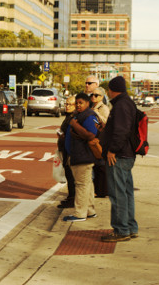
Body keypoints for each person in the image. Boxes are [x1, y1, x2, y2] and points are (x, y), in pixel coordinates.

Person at [100, 76, 138, 242]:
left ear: (112, 89)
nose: (108, 92)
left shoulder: (121, 105)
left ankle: (121, 230)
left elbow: (121, 131)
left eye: (109, 89)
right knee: (127, 192)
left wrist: (112, 150)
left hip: (119, 156)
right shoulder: (128, 103)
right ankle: (130, 227)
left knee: (117, 194)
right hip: (127, 154)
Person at [63, 93, 98, 222]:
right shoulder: (80, 115)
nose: (78, 105)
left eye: (81, 103)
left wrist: (74, 125)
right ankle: (89, 210)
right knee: (87, 184)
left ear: (87, 103)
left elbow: (91, 135)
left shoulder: (88, 116)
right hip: (78, 155)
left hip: (83, 156)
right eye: (77, 103)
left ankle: (80, 214)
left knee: (81, 185)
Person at [90, 87, 110, 198]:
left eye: (96, 95)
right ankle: (97, 189)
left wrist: (96, 113)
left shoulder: (103, 108)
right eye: (92, 95)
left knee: (100, 164)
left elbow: (106, 121)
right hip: (93, 137)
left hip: (100, 138)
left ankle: (101, 190)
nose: (93, 97)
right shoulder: (92, 106)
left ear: (102, 97)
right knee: (95, 165)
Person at [57, 96, 76, 209]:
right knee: (68, 175)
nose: (67, 106)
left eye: (70, 104)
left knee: (71, 176)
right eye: (66, 104)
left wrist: (63, 136)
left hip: (70, 151)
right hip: (65, 148)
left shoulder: (74, 117)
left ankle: (72, 199)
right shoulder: (68, 116)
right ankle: (70, 197)